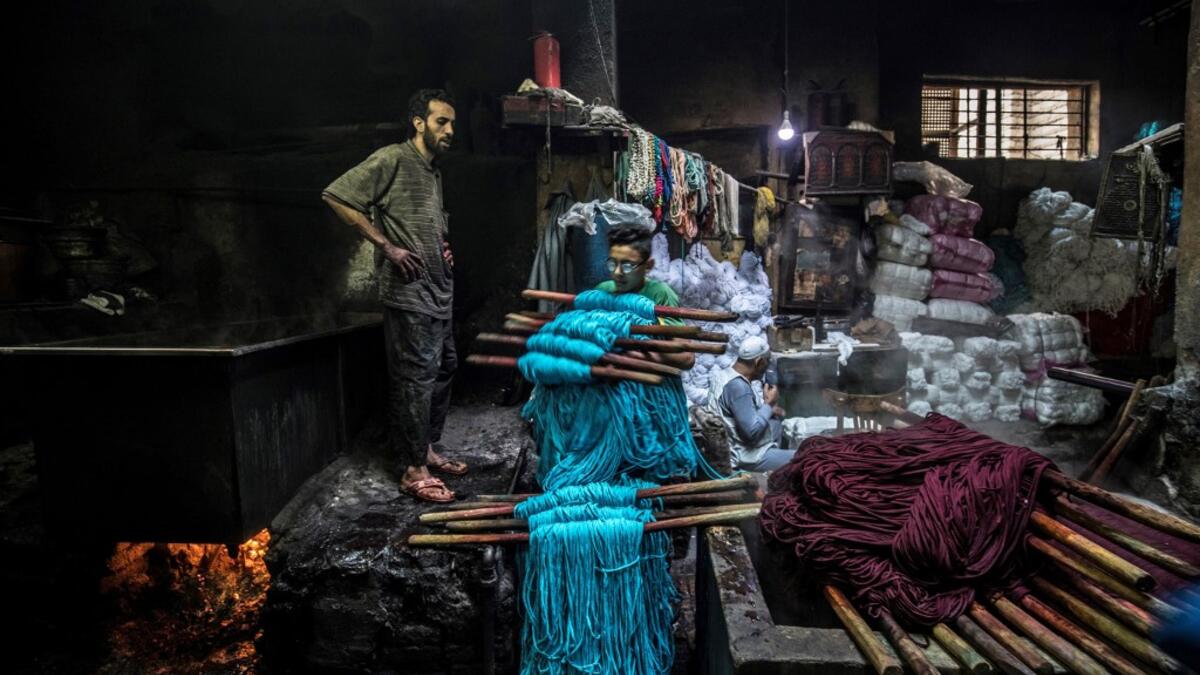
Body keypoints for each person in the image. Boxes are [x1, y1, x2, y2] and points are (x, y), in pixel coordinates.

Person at [321, 88, 467, 503]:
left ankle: (426, 448)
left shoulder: (433, 171)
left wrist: (442, 243)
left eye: (452, 123)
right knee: (414, 381)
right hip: (409, 294)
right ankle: (412, 470)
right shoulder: (393, 159)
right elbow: (336, 195)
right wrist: (387, 246)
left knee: (444, 369)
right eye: (442, 121)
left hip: (439, 291)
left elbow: (424, 221)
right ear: (419, 122)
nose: (450, 130)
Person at [595, 226, 694, 370]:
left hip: (649, 382)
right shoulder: (602, 292)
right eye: (612, 264)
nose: (617, 272)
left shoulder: (659, 294)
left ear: (648, 265)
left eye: (627, 266)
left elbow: (686, 358)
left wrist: (635, 355)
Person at [706, 335, 792, 472]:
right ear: (759, 362)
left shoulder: (724, 375)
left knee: (776, 424)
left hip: (731, 445)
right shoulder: (738, 387)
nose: (767, 367)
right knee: (802, 458)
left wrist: (769, 409)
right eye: (767, 362)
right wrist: (768, 405)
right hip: (743, 456)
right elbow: (751, 432)